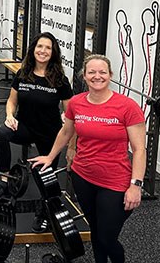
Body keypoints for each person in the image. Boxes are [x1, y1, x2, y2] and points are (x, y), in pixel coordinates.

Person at [30, 54, 146, 263]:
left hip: (115, 182)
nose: (97, 76)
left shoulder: (127, 107)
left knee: (107, 237)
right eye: (91, 72)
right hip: (83, 176)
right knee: (95, 229)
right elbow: (66, 132)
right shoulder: (76, 102)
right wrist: (50, 156)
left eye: (102, 72)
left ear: (110, 75)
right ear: (84, 76)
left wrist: (135, 185)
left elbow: (139, 150)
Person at [0, 32, 73, 233]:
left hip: (49, 133)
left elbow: (71, 113)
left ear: (53, 53)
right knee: (1, 135)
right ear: (33, 49)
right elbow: (12, 100)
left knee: (47, 177)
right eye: (39, 47)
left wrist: (72, 145)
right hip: (25, 127)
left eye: (48, 48)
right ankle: (5, 179)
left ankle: (45, 211)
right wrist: (10, 115)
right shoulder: (23, 73)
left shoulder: (60, 79)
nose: (43, 51)